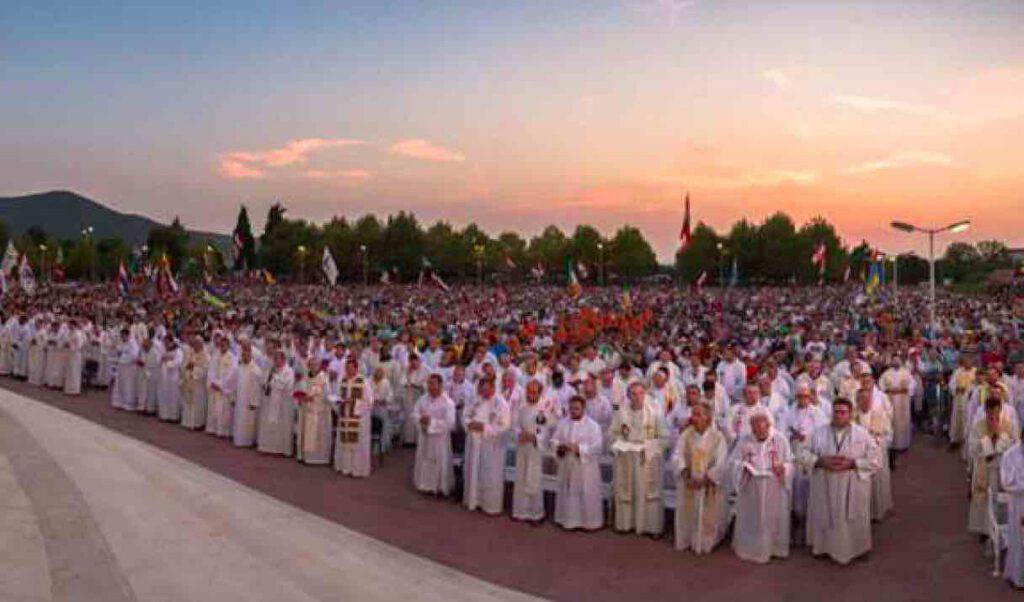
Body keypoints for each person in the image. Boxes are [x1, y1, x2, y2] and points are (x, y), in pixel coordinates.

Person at [800, 398, 880, 564]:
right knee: (825, 514)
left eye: (843, 412)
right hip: (825, 483)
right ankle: (824, 548)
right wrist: (820, 461)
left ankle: (856, 548)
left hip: (851, 484)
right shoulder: (818, 432)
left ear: (850, 414)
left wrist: (853, 463)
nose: (839, 416)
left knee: (850, 517)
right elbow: (801, 454)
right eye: (836, 412)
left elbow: (876, 459)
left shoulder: (862, 434)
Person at [729, 412, 793, 563]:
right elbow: (733, 462)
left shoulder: (780, 439)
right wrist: (742, 468)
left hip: (774, 487)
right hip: (751, 486)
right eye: (753, 426)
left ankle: (775, 548)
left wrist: (783, 468)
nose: (756, 429)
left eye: (760, 425)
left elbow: (790, 462)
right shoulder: (745, 440)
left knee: (772, 518)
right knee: (752, 518)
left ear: (769, 425)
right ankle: (749, 548)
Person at [611, 382, 669, 536]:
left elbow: (664, 438)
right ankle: (626, 524)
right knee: (626, 490)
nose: (637, 398)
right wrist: (621, 444)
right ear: (628, 396)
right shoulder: (621, 413)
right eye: (634, 394)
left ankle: (650, 527)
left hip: (647, 459)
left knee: (647, 492)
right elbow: (612, 434)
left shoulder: (655, 412)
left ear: (645, 394)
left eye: (640, 394)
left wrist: (648, 447)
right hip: (627, 458)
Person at [672, 402, 728, 553]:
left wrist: (707, 479)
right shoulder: (686, 435)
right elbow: (677, 455)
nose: (693, 418)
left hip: (707, 485)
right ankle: (687, 540)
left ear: (708, 419)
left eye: (698, 414)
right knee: (688, 513)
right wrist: (685, 474)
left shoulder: (718, 438)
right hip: (689, 483)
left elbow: (721, 462)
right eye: (693, 414)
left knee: (708, 515)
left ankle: (705, 543)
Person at [551, 395, 604, 530]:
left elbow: (597, 447)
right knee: (568, 492)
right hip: (567, 465)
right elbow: (554, 440)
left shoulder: (593, 426)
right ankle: (567, 520)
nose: (573, 411)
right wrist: (559, 447)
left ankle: (588, 523)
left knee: (585, 493)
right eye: (571, 408)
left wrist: (579, 448)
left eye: (577, 409)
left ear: (583, 409)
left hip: (585, 468)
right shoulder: (563, 423)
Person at [967, 395, 1018, 536]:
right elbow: (972, 447)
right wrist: (988, 440)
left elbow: (1015, 447)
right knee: (984, 499)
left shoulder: (1009, 425)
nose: (992, 417)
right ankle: (984, 530)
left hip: (1001, 470)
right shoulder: (978, 426)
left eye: (996, 413)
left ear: (1000, 410)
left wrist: (1000, 437)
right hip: (984, 468)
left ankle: (1000, 529)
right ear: (985, 411)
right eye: (989, 414)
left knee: (999, 499)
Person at [461, 376, 511, 515]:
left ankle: (490, 505)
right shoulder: (475, 399)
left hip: (492, 446)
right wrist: (470, 423)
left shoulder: (501, 404)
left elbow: (504, 425)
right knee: (473, 472)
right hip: (474, 443)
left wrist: (483, 427)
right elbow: (465, 415)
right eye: (482, 390)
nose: (484, 394)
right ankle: (472, 500)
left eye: (487, 391)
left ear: (493, 388)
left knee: (490, 474)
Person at [511, 379, 551, 522]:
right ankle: (520, 512)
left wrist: (534, 437)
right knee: (521, 477)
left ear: (539, 393)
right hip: (522, 447)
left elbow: (545, 430)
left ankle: (536, 514)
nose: (531, 394)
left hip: (535, 449)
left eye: (534, 392)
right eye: (529, 391)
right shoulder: (521, 407)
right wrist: (519, 434)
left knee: (534, 478)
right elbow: (515, 425)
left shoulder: (543, 409)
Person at [412, 373, 457, 495]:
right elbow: (415, 413)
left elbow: (450, 423)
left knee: (438, 462)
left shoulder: (448, 402)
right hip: (425, 436)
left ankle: (439, 487)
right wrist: (421, 420)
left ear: (440, 385)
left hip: (439, 439)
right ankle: (424, 484)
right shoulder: (423, 399)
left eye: (433, 383)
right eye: (429, 383)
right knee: (424, 459)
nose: (430, 386)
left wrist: (431, 422)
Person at [854, 386, 893, 521]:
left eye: (867, 399)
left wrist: (879, 441)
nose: (865, 402)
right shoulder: (853, 417)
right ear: (857, 401)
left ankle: (877, 512)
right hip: (859, 456)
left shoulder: (879, 414)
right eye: (861, 399)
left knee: (877, 484)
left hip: (876, 454)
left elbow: (888, 435)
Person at [333, 358, 374, 477]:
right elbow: (338, 395)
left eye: (351, 368)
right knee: (344, 442)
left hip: (358, 418)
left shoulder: (363, 382)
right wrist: (339, 401)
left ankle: (357, 470)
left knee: (357, 444)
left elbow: (369, 401)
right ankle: (345, 467)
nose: (349, 370)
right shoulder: (343, 380)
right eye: (347, 368)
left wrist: (354, 401)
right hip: (345, 416)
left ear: (356, 368)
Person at [257, 349, 296, 456]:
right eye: (274, 359)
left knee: (280, 426)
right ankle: (267, 447)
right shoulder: (271, 369)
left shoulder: (288, 371)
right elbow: (263, 380)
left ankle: (280, 449)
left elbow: (287, 385)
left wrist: (274, 380)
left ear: (283, 359)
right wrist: (267, 382)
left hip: (282, 404)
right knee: (268, 423)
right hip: (270, 401)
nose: (275, 361)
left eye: (277, 359)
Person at [999, 440, 1024, 588]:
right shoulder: (1010, 455)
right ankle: (1017, 576)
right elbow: (1006, 482)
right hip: (1019, 503)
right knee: (1019, 538)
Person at [299, 360, 333, 465]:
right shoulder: (306, 377)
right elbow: (301, 390)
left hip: (320, 411)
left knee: (318, 435)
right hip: (307, 410)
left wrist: (314, 398)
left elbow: (327, 394)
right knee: (307, 433)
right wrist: (302, 397)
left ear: (319, 366)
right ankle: (307, 457)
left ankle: (320, 458)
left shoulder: (323, 377)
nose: (313, 367)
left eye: (315, 365)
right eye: (311, 365)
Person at [232, 342, 265, 447]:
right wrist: (233, 397)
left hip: (249, 401)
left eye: (247, 354)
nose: (244, 357)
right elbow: (234, 384)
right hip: (240, 399)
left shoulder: (255, 370)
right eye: (243, 355)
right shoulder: (239, 368)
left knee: (248, 421)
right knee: (239, 420)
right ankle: (238, 440)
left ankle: (248, 441)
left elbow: (256, 388)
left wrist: (254, 401)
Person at [206, 336, 238, 437]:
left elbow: (232, 374)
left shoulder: (232, 358)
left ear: (228, 345)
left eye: (224, 345)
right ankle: (213, 428)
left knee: (224, 411)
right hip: (215, 387)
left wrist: (220, 385)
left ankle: (223, 431)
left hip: (224, 389)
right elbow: (211, 370)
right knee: (213, 409)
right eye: (221, 345)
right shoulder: (215, 356)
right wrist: (213, 382)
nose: (222, 347)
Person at [879, 355, 913, 451]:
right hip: (891, 400)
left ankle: (903, 444)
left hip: (903, 400)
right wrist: (887, 390)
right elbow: (881, 385)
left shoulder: (906, 373)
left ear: (900, 361)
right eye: (894, 360)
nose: (896, 362)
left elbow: (912, 385)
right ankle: (892, 444)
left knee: (903, 421)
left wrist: (906, 389)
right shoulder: (886, 374)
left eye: (898, 360)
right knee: (892, 421)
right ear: (892, 362)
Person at [180, 336, 209, 430]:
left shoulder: (205, 356)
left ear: (201, 344)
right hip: (189, 381)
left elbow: (205, 370)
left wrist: (194, 370)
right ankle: (187, 422)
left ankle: (197, 424)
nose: (196, 345)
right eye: (195, 343)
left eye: (198, 343)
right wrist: (187, 369)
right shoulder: (190, 353)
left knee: (198, 404)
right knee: (188, 402)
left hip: (198, 384)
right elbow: (184, 365)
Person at [157, 336, 183, 422]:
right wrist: (162, 359)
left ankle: (173, 416)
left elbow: (178, 362)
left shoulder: (177, 351)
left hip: (173, 377)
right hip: (164, 377)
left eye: (168, 342)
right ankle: (164, 415)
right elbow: (158, 359)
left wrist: (168, 362)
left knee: (173, 397)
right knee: (164, 395)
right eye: (165, 342)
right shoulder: (163, 349)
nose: (166, 344)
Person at [110, 329, 138, 410]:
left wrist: (123, 357)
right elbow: (119, 351)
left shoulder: (133, 343)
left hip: (129, 368)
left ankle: (128, 403)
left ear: (127, 335)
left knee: (128, 385)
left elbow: (134, 356)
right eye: (121, 336)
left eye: (123, 336)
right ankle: (119, 402)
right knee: (120, 384)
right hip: (121, 367)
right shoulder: (123, 342)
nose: (122, 338)